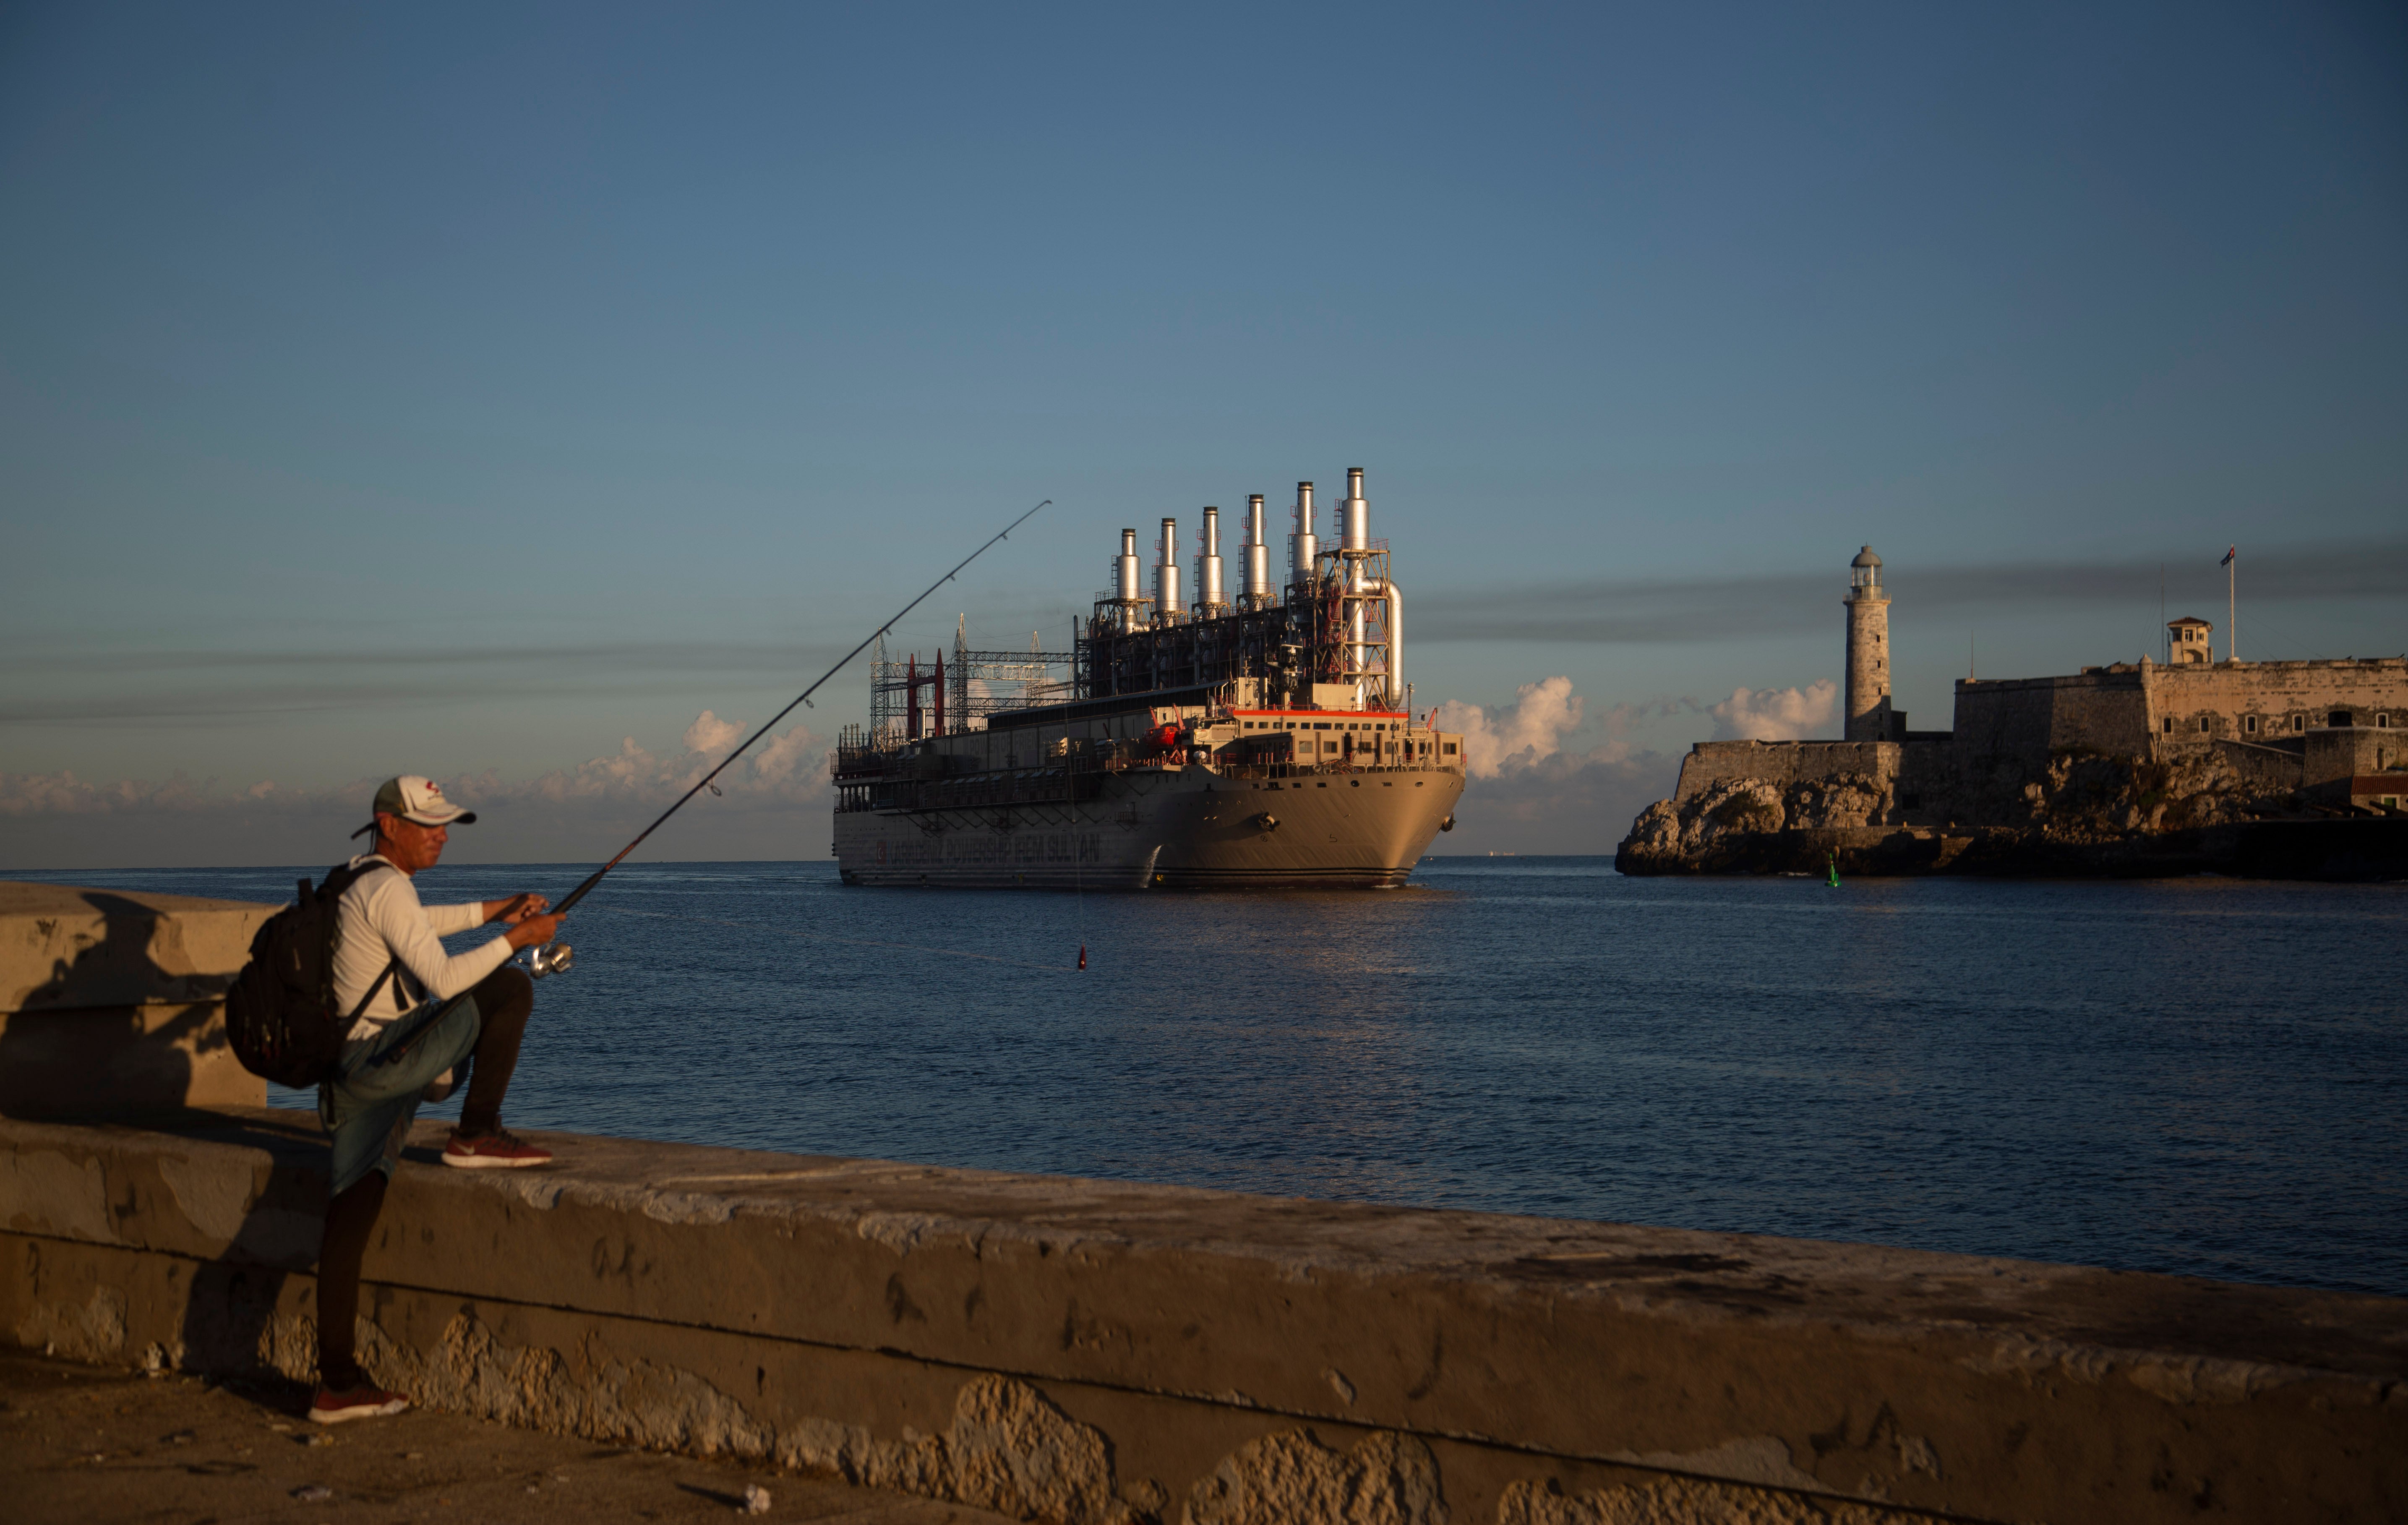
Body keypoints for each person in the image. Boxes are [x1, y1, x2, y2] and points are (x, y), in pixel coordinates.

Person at [310, 774, 567, 1424]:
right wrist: (520, 938)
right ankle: (476, 1132)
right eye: (429, 826)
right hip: (386, 1054)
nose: (442, 836)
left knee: (353, 1208)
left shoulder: (354, 878)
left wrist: (497, 909)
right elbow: (446, 975)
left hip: (351, 1060)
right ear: (389, 825)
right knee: (509, 991)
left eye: (445, 825)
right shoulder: (387, 885)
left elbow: (422, 924)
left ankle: (335, 1381)